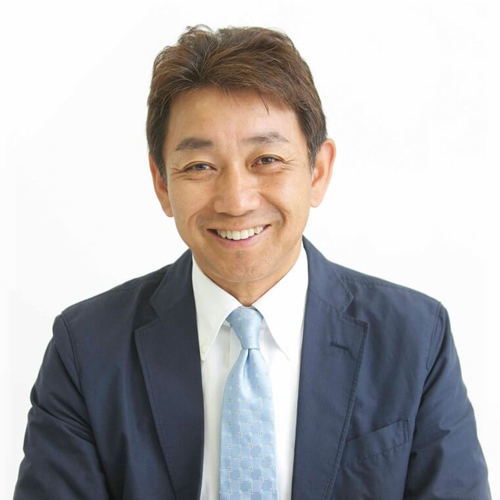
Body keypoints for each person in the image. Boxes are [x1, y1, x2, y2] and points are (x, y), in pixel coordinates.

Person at [14, 24, 491, 500]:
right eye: (200, 166)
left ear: (318, 171)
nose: (236, 201)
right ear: (162, 184)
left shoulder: (414, 338)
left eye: (266, 160)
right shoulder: (88, 349)